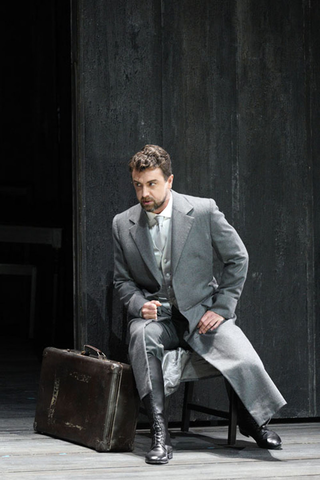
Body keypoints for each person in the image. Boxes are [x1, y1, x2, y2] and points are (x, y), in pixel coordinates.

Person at [112, 144, 286, 464]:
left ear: (170, 180)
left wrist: (221, 309)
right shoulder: (123, 223)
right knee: (140, 336)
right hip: (158, 317)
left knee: (243, 358)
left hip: (201, 313)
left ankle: (252, 420)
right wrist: (139, 305)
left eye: (151, 184)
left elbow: (237, 259)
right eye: (138, 185)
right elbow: (123, 281)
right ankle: (160, 434)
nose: (144, 193)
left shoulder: (202, 210)